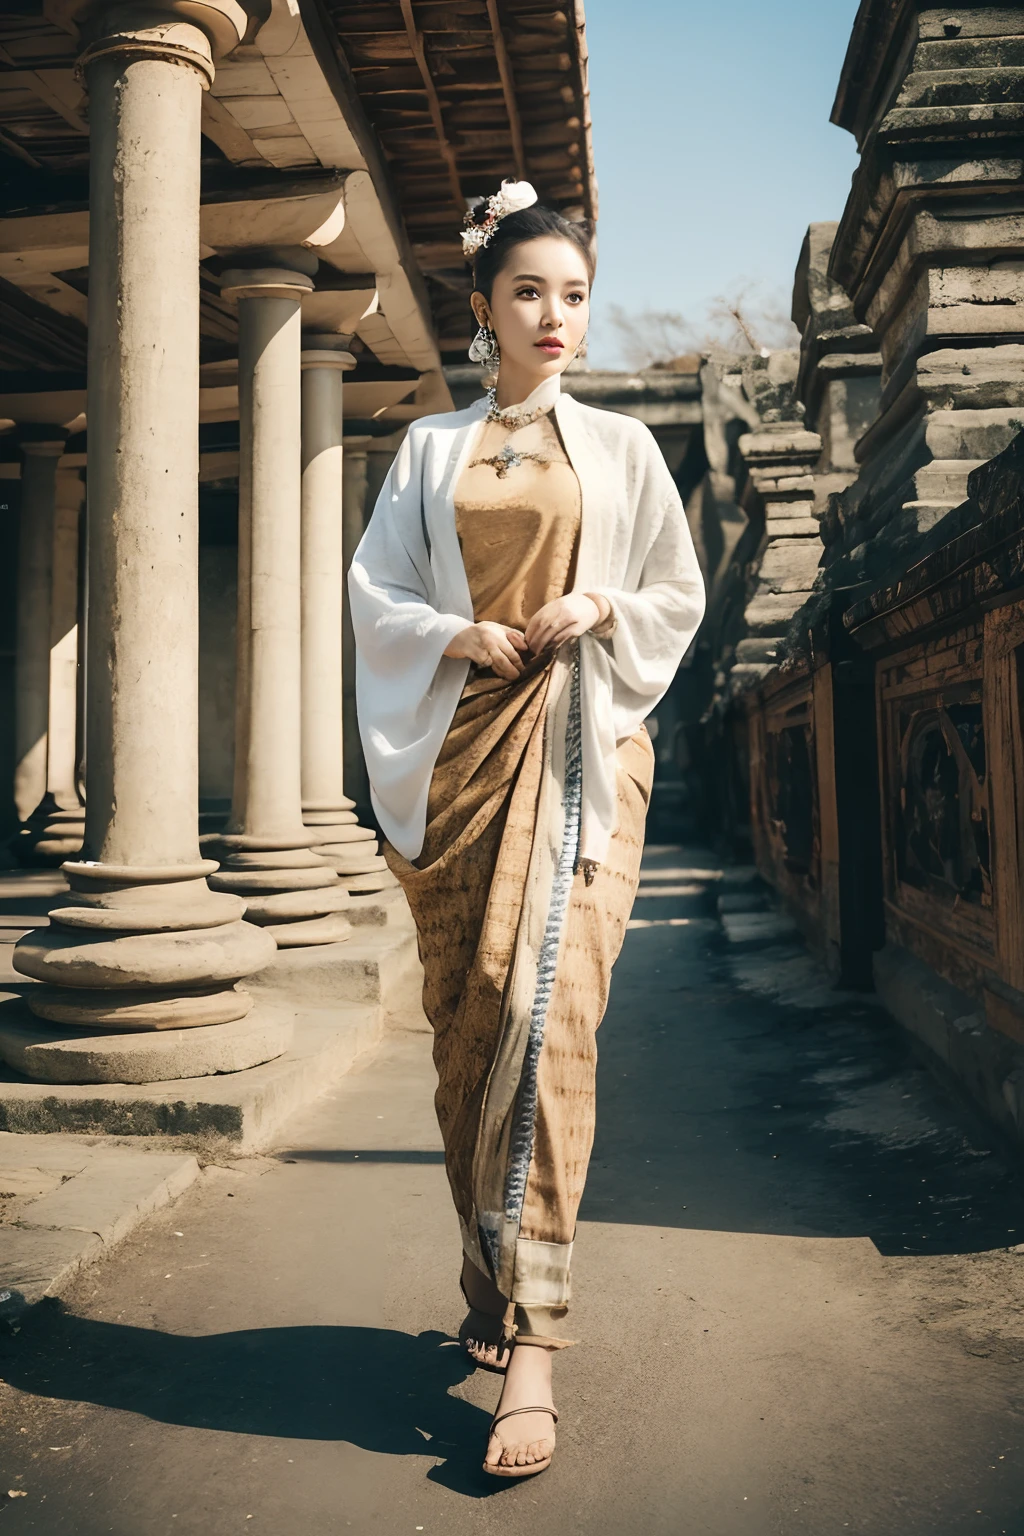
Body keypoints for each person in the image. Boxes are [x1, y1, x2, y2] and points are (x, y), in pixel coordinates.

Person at [349, 180, 706, 1478]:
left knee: (544, 1009)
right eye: (530, 293)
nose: (556, 315)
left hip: (581, 757)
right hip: (460, 757)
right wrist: (459, 630)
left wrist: (600, 604)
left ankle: (537, 1342)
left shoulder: (622, 451)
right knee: (467, 1020)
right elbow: (376, 590)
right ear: (485, 308)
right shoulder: (433, 453)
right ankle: (486, 1274)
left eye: (573, 295)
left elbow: (678, 587)